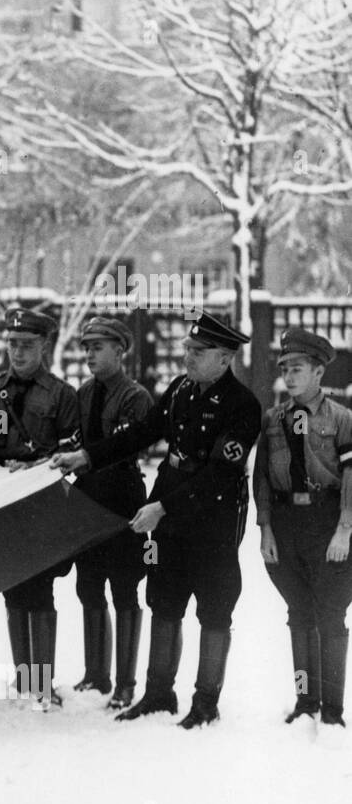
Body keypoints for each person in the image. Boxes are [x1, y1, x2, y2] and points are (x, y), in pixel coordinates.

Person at [52, 312, 262, 728]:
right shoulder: (181, 389)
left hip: (213, 518)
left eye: (198, 352)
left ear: (224, 359)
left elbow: (219, 474)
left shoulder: (242, 405)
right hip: (169, 505)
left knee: (215, 609)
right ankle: (158, 693)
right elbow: (142, 432)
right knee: (163, 598)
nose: (188, 358)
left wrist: (162, 508)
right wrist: (88, 456)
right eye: (187, 349)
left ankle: (205, 702)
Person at [0, 307, 80, 711]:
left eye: (27, 346)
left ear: (44, 346)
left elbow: (71, 450)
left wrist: (35, 465)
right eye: (13, 344)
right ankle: (24, 679)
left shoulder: (61, 394)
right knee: (12, 586)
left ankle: (43, 682)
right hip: (1, 508)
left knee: (40, 589)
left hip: (42, 507)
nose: (18, 353)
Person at [255, 328, 352, 727]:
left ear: (318, 373)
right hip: (286, 523)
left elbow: (350, 477)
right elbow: (262, 477)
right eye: (284, 369)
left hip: (328, 522)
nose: (288, 376)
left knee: (330, 615)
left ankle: (332, 709)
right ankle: (305, 699)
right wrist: (265, 529)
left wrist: (345, 529)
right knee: (298, 613)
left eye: (297, 369)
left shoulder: (342, 418)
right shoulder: (273, 419)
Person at [69, 317, 154, 709]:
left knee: (124, 588)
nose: (90, 355)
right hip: (87, 499)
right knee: (88, 585)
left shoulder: (135, 397)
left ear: (120, 352)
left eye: (98, 348)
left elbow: (126, 446)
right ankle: (96, 674)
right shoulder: (83, 393)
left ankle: (125, 683)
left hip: (121, 497)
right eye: (87, 348)